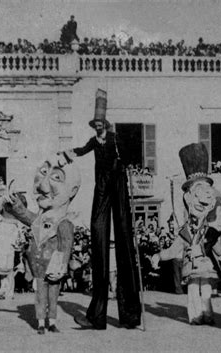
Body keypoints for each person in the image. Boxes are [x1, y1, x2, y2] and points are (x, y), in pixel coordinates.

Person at [62, 89, 141, 330]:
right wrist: (67, 153)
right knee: (98, 233)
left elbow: (131, 154)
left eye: (99, 123)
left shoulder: (116, 138)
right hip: (102, 187)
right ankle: (97, 317)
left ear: (104, 123)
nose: (97, 126)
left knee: (125, 237)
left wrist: (128, 163)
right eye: (94, 123)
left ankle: (130, 315)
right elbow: (81, 151)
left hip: (117, 184)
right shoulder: (94, 141)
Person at [2, 154, 81, 334]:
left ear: (73, 190)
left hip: (54, 265)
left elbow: (66, 244)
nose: (43, 186)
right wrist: (14, 205)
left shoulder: (64, 222)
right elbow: (27, 216)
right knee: (40, 294)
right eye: (43, 173)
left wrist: (62, 264)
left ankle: (51, 321)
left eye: (56, 177)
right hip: (38, 265)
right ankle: (41, 323)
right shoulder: (41, 218)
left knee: (53, 294)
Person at [151, 143, 221, 325]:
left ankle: (207, 315)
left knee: (206, 289)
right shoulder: (184, 232)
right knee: (193, 290)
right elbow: (172, 250)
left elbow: (220, 250)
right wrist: (158, 256)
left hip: (205, 266)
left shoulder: (210, 230)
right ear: (188, 199)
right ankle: (196, 316)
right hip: (190, 267)